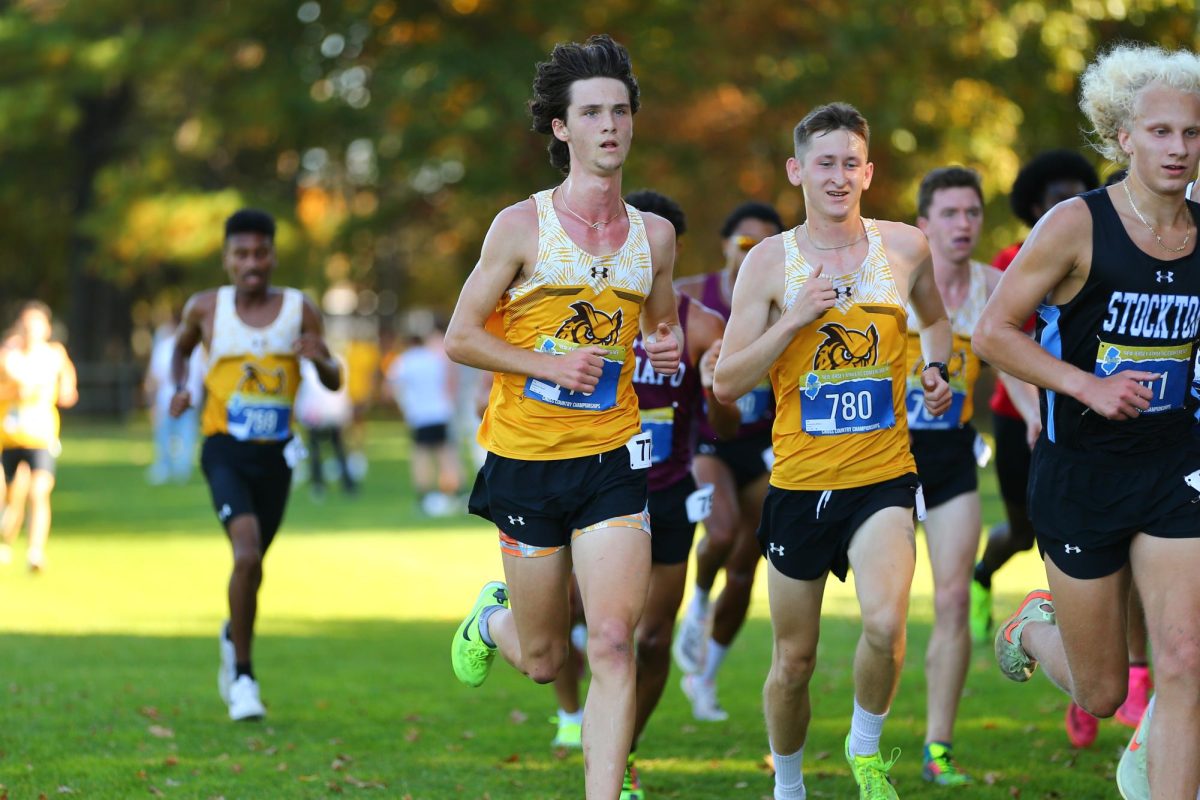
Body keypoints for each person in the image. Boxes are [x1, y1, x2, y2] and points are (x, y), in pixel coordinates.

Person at [444, 35, 682, 800]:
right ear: (562, 128)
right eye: (592, 113)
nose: (610, 125)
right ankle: (490, 621)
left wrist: (666, 347)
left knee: (615, 641)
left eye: (620, 111)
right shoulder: (520, 227)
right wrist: (549, 364)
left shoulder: (655, 236)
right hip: (525, 461)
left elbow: (660, 322)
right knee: (547, 659)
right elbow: (461, 336)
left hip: (612, 456)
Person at [975, 44, 1200, 800]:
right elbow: (994, 330)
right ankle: (1032, 628)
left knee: (1183, 659)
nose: (1178, 148)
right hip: (1082, 474)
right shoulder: (1077, 224)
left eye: (1192, 134)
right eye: (1161, 132)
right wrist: (1087, 386)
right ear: (1123, 137)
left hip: (1176, 465)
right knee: (1102, 692)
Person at [713, 102, 952, 800]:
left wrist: (935, 372)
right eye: (825, 163)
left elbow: (935, 322)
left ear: (868, 171)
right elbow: (728, 382)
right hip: (799, 484)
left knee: (886, 624)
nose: (839, 176)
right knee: (794, 661)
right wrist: (794, 318)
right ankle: (789, 786)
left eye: (851, 162)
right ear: (798, 171)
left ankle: (865, 746)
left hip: (883, 476)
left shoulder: (906, 247)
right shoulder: (768, 262)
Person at [545, 189, 739, 798]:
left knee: (651, 640)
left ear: (670, 249)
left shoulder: (705, 326)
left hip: (668, 494)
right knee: (569, 621)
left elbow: (727, 427)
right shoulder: (590, 311)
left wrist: (714, 390)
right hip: (597, 486)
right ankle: (573, 715)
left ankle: (621, 754)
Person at [170, 208, 341, 722]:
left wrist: (320, 358)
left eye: (260, 252)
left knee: (253, 566)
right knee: (246, 556)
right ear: (226, 259)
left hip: (277, 458)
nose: (251, 262)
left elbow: (333, 379)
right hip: (223, 449)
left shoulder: (298, 308)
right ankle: (243, 676)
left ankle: (233, 632)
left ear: (273, 255)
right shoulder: (205, 308)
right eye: (241, 253)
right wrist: (180, 386)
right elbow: (179, 352)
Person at [904, 166, 1006, 785]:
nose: (963, 224)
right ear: (924, 224)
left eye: (972, 212)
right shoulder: (892, 285)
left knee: (951, 597)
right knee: (883, 613)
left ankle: (937, 747)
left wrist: (1032, 420)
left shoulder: (996, 287)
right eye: (949, 213)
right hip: (884, 460)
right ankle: (866, 737)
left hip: (952, 457)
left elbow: (1015, 364)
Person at [970, 150, 1098, 643]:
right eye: (1055, 199)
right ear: (1034, 207)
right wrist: (1031, 412)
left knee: (1071, 528)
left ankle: (1074, 629)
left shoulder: (1097, 256)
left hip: (1083, 411)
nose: (1067, 205)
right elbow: (1005, 346)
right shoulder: (1012, 260)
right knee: (1025, 533)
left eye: (1075, 195)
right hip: (1020, 416)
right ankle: (985, 573)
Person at [672, 201, 785, 721]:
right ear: (724, 245)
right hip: (710, 438)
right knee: (719, 533)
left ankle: (705, 676)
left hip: (764, 447)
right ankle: (695, 607)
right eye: (743, 244)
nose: (750, 255)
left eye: (763, 246)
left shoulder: (789, 299)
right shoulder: (697, 297)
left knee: (744, 567)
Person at [0, 301, 78, 571]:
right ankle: (5, 540)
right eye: (26, 325)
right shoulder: (9, 355)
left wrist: (65, 392)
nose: (31, 330)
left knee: (39, 492)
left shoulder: (54, 355)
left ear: (46, 328)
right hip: (10, 438)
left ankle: (35, 552)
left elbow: (69, 387)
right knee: (12, 497)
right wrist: (13, 392)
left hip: (42, 437)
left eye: (36, 325)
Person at [386, 328, 461, 516]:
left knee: (421, 456)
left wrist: (403, 403)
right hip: (441, 412)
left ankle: (424, 494)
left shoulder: (404, 361)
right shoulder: (434, 358)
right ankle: (452, 492)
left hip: (420, 415)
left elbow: (388, 388)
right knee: (445, 453)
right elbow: (450, 381)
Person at [145, 313, 205, 485]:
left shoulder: (171, 347)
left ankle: (174, 470)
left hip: (182, 400)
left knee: (177, 435)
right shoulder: (170, 347)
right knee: (174, 435)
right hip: (172, 399)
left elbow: (154, 376)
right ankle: (174, 470)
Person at [296, 355, 356, 498]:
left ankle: (340, 483)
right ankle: (320, 483)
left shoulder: (313, 364)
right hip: (318, 412)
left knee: (333, 449)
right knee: (319, 450)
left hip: (326, 412)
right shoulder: (307, 364)